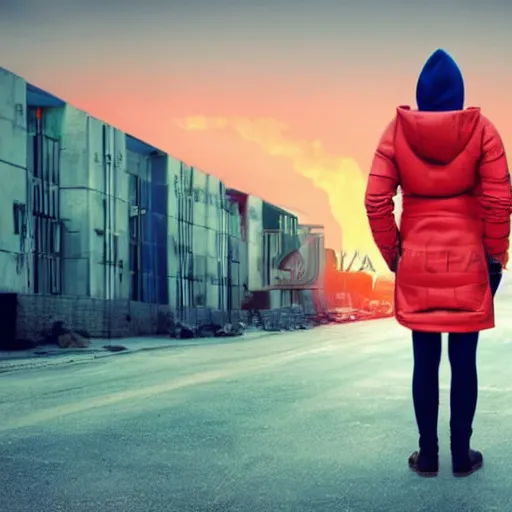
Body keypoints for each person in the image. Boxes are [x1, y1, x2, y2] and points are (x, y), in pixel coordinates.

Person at [364, 48, 512, 478]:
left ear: (421, 96)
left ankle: (428, 457)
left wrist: (395, 254)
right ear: (460, 96)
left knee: (424, 361)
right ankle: (461, 457)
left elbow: (375, 200)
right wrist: (494, 256)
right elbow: (500, 200)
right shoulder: (483, 131)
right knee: (464, 362)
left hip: (418, 266)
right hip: (470, 263)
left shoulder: (396, 133)